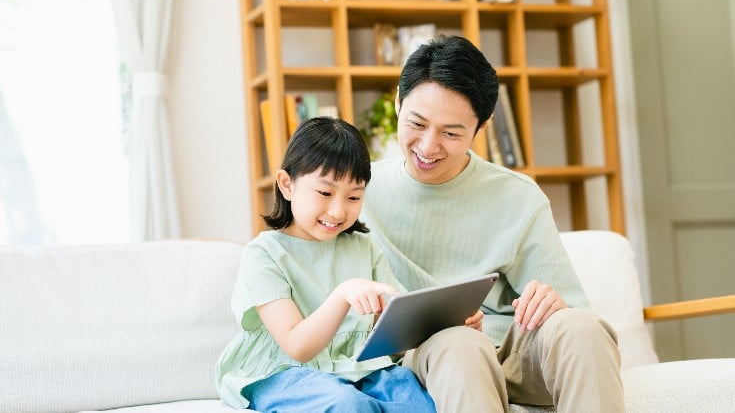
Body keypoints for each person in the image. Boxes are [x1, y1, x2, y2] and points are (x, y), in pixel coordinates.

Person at [360, 35, 624, 412]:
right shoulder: (356, 193)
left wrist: (553, 302)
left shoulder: (517, 196)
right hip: (432, 357)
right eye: (417, 123)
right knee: (461, 345)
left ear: (481, 129)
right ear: (398, 104)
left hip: (511, 355)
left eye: (451, 133)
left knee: (583, 328)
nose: (428, 146)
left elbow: (570, 308)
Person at [215, 116, 435, 413]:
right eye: (325, 193)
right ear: (287, 184)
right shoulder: (263, 254)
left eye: (354, 196)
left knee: (417, 401)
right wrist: (344, 294)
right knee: (346, 404)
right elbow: (297, 347)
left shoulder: (363, 248)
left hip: (357, 367)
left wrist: (441, 322)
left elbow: (397, 339)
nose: (338, 210)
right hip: (284, 372)